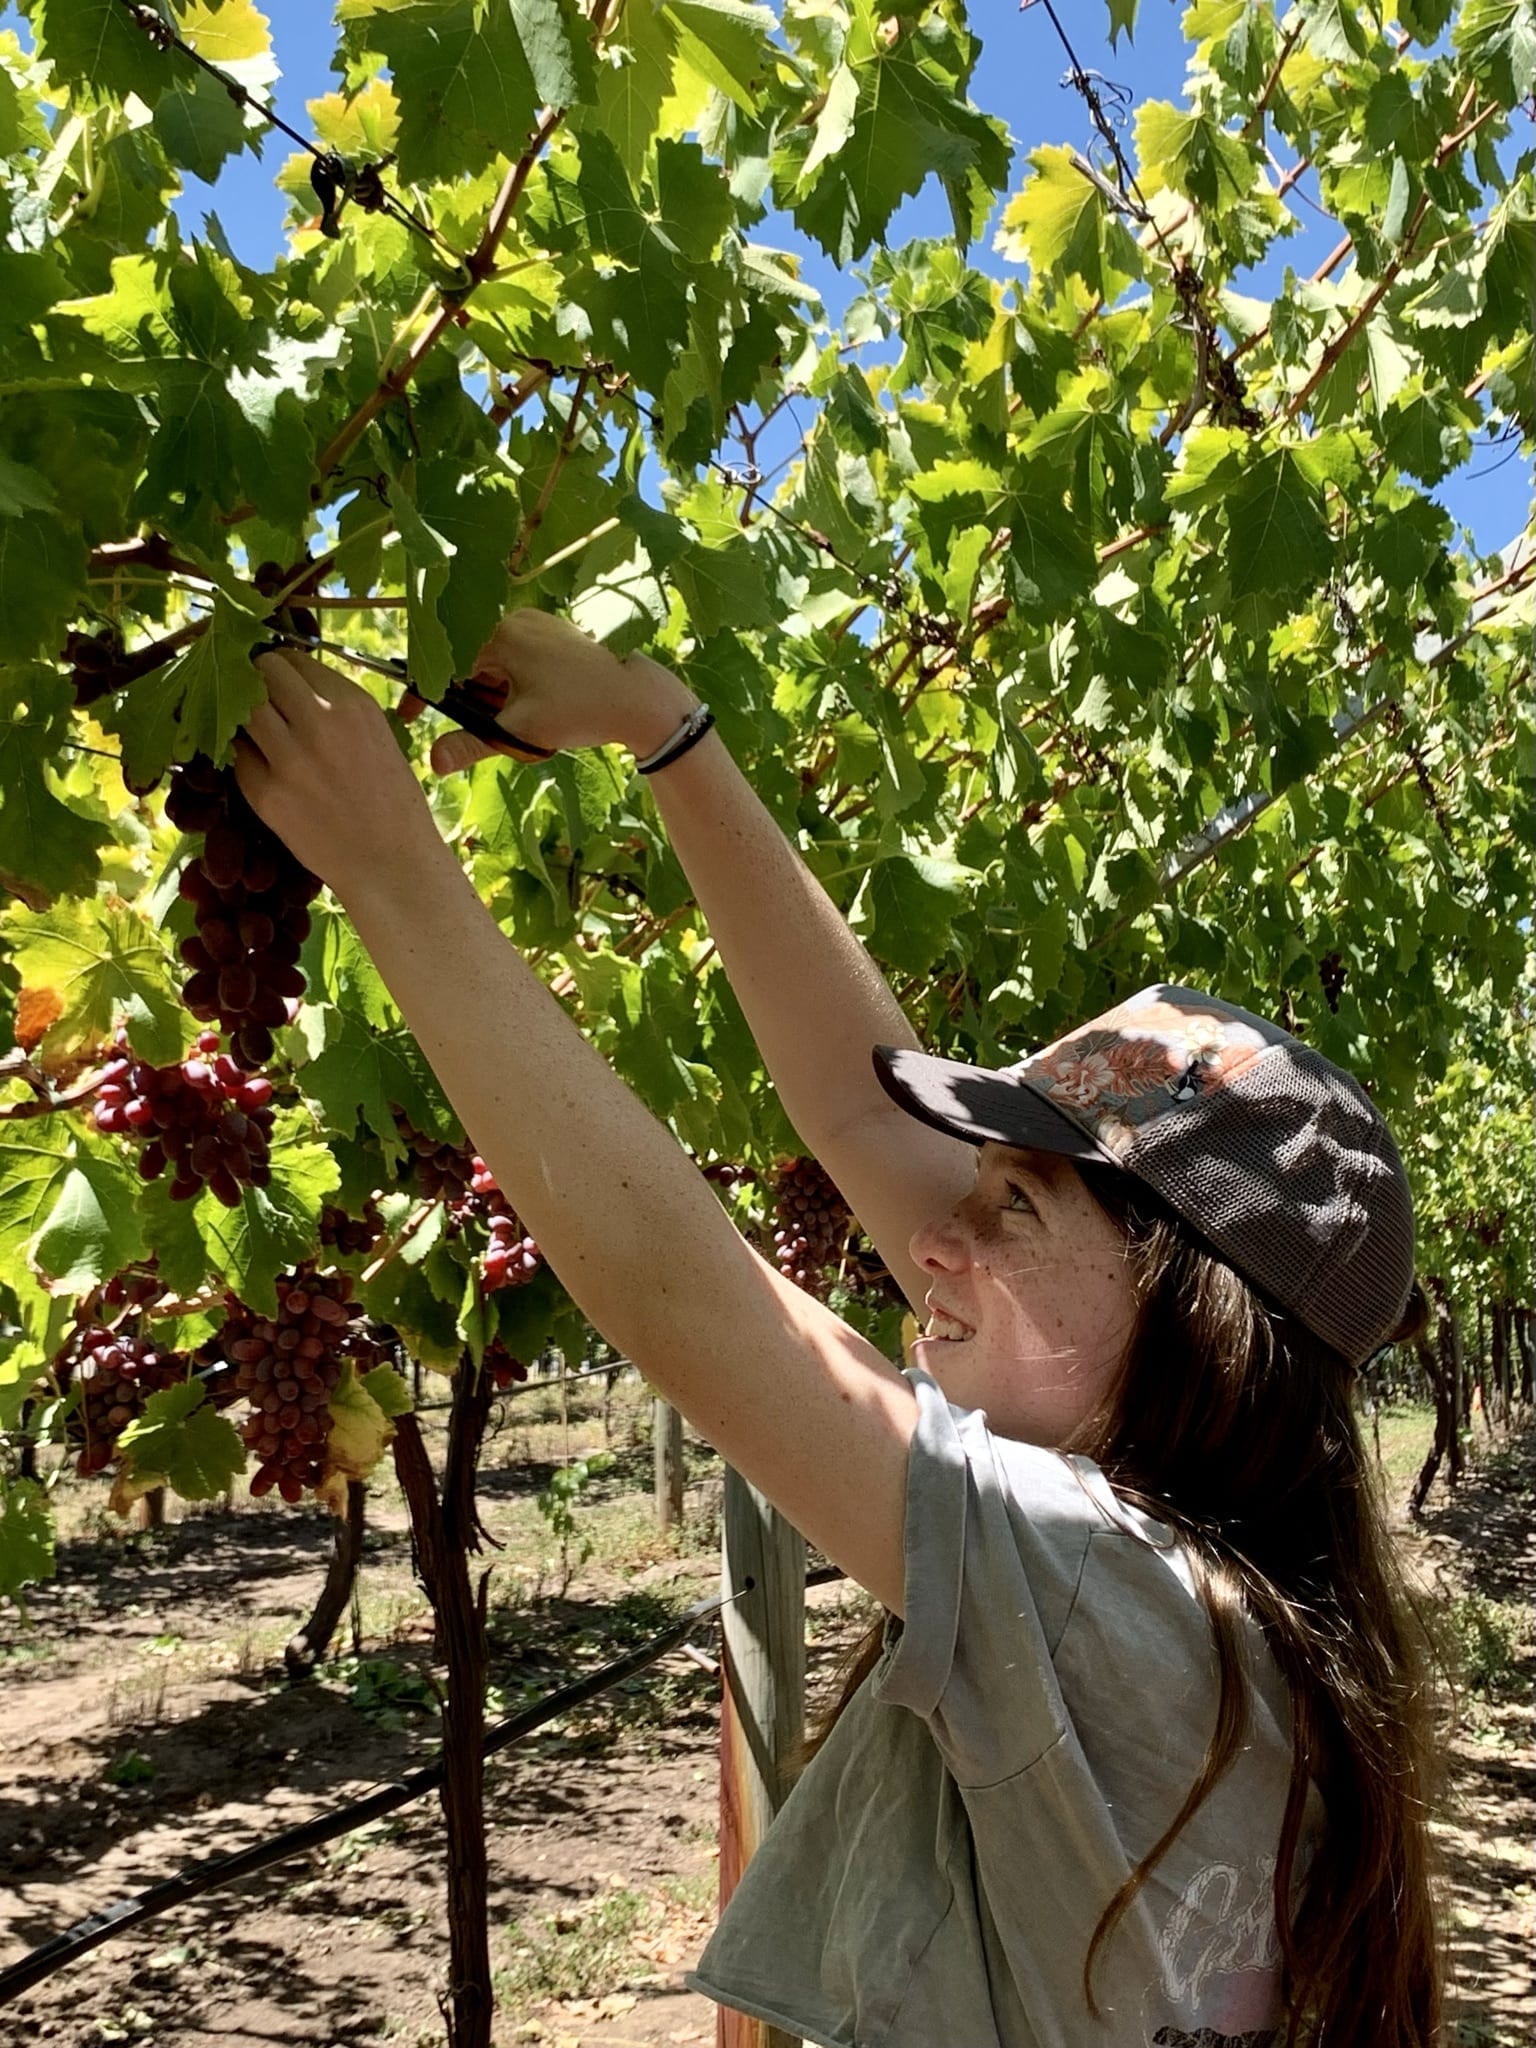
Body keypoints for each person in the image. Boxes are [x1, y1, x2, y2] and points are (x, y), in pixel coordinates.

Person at [236, 612, 1442, 2048]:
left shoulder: (1117, 1592)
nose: (938, 1234)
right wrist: (667, 736)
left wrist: (390, 870)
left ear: (1199, 1317)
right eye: (980, 1187)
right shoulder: (1216, 1596)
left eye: (1018, 1208)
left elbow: (685, 1296)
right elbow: (867, 1106)